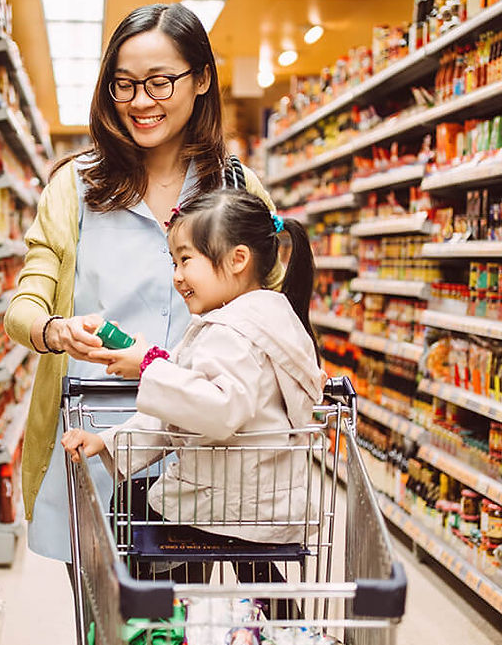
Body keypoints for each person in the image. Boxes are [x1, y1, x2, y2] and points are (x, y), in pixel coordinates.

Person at [3, 3, 284, 572]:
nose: (139, 101)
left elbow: (272, 308)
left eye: (159, 82)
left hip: (205, 440)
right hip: (92, 439)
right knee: (109, 617)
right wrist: (54, 329)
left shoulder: (236, 188)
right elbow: (25, 302)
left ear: (201, 79)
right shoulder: (74, 187)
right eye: (124, 84)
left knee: (191, 618)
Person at [61, 188, 325, 562]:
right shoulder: (269, 316)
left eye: (185, 260)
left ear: (237, 260)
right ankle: (278, 619)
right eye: (173, 263)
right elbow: (185, 413)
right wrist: (109, 440)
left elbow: (216, 411)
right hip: (262, 498)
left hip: (234, 505)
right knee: (262, 584)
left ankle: (147, 615)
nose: (177, 276)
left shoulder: (233, 333)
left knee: (131, 508)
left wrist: (150, 365)